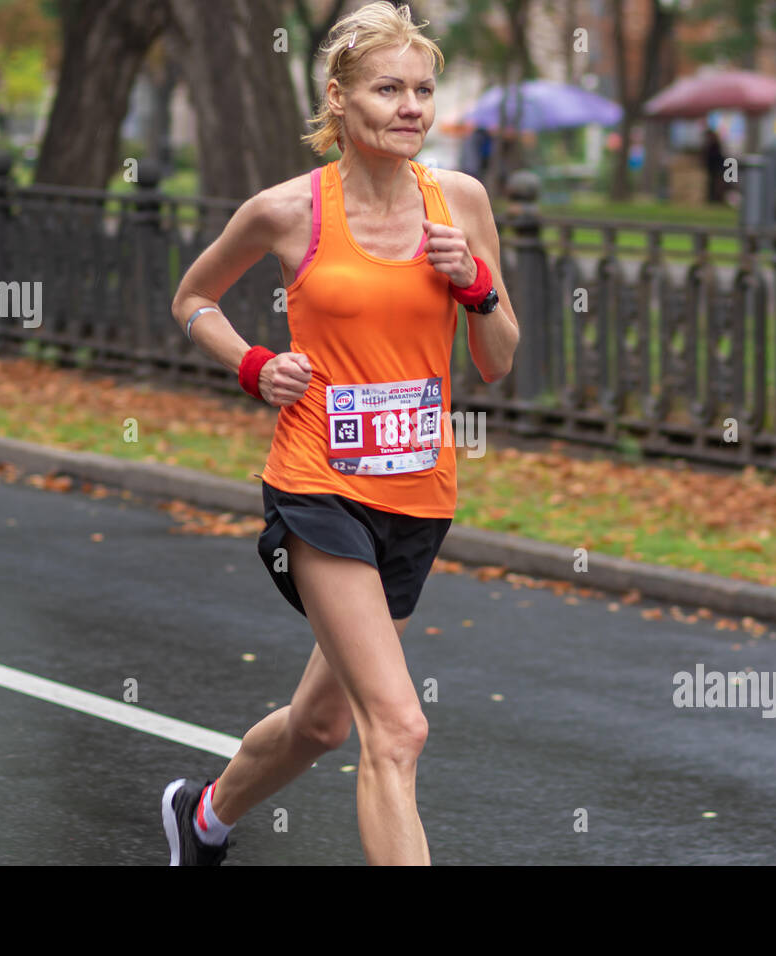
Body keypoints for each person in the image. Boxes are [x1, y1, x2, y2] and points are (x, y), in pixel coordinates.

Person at [162, 1, 520, 866]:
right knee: (396, 727)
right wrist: (254, 364)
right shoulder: (287, 210)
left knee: (323, 722)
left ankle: (202, 816)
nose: (411, 108)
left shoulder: (461, 202)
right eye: (388, 88)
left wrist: (473, 283)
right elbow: (192, 300)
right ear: (340, 100)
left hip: (419, 493)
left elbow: (499, 358)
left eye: (424, 90)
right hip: (318, 486)